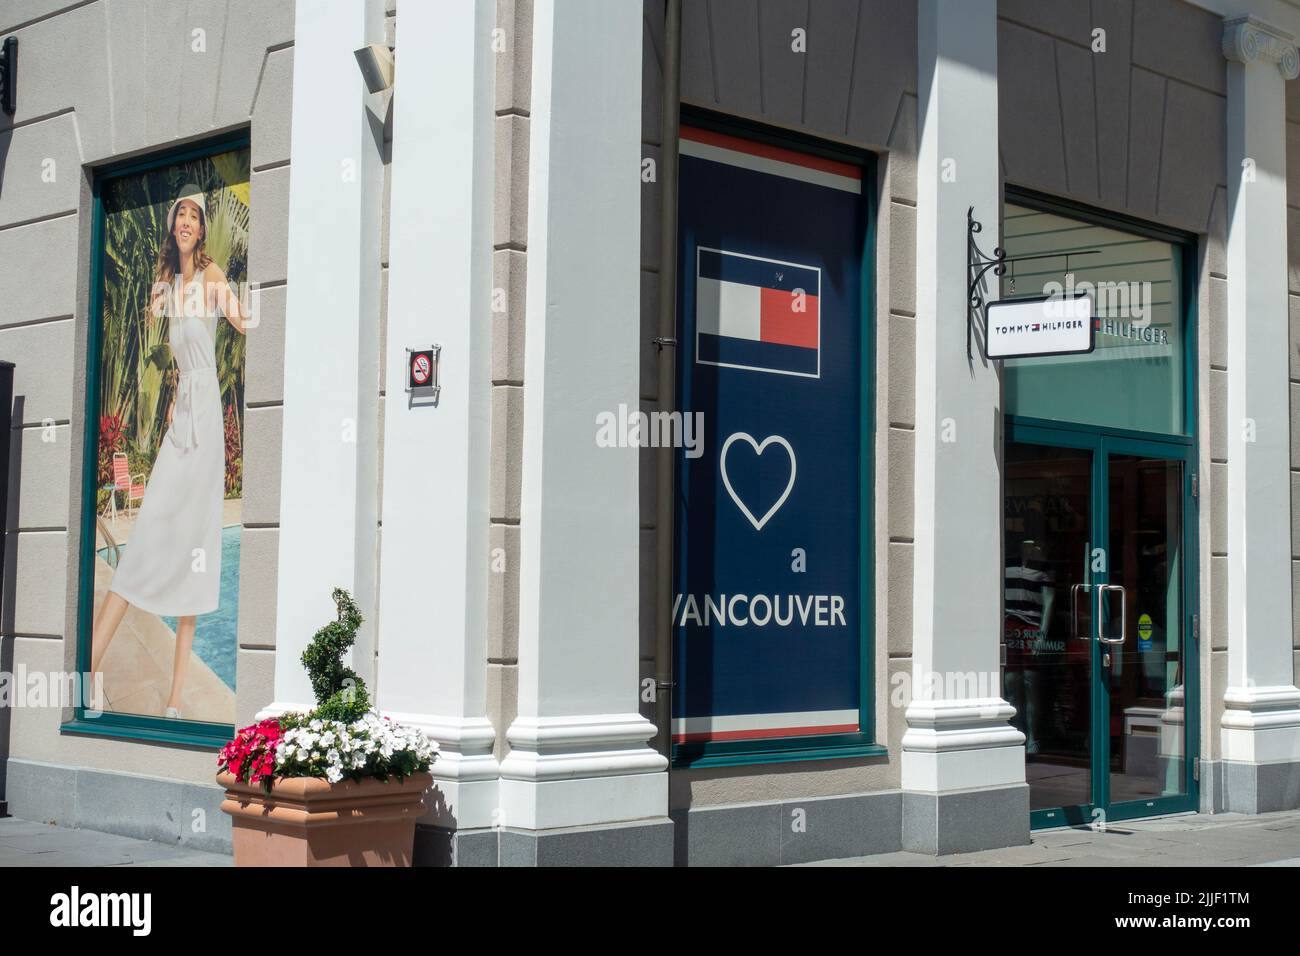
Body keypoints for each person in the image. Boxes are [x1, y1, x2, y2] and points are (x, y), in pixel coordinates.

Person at [90, 184, 249, 719]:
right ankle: (85, 674)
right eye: (180, 213)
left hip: (204, 421)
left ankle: (176, 700)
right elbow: (154, 325)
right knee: (145, 541)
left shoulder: (211, 276)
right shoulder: (167, 285)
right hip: (181, 418)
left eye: (193, 216)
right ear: (173, 224)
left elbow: (245, 321)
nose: (186, 221)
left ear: (202, 229)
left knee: (196, 552)